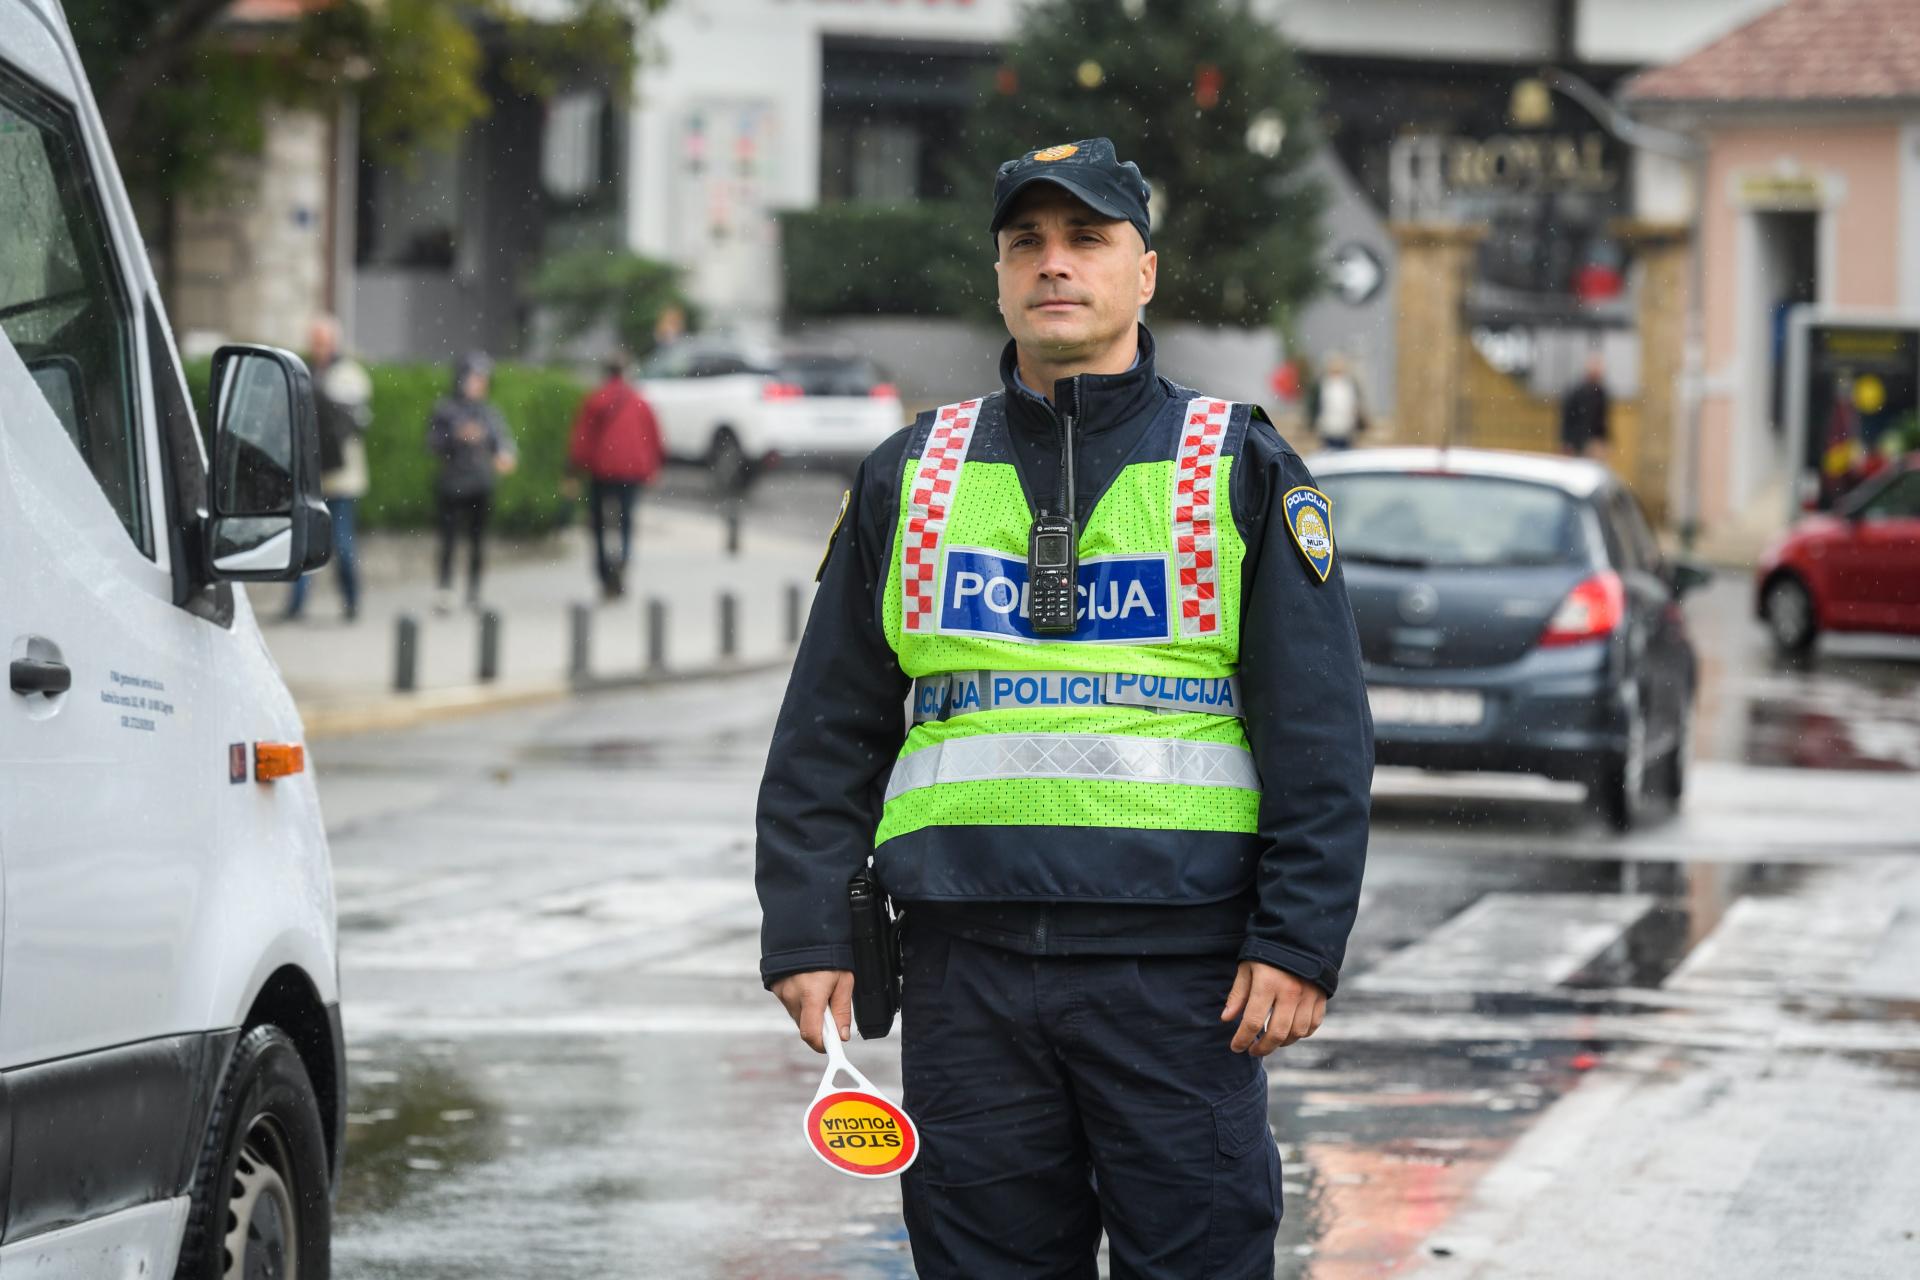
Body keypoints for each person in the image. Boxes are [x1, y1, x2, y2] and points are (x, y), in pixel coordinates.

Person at [754, 138, 1372, 1279]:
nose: (1054, 264)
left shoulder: (1237, 466)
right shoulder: (910, 473)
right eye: (1026, 243)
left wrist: (1299, 939)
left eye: (1087, 239)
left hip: (1185, 979)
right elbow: (828, 731)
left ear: (1145, 272)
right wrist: (805, 930)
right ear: (998, 275)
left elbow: (1319, 733)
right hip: (963, 971)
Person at [285, 315, 371, 621]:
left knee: (343, 546)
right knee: (303, 544)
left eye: (323, 341)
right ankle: (295, 606)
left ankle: (351, 602)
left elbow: (351, 421)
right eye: (315, 341)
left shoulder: (349, 375)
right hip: (311, 478)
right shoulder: (303, 370)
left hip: (341, 479)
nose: (318, 347)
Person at [566, 354, 664, 600]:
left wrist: (574, 469)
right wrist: (652, 469)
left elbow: (582, 437)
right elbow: (653, 437)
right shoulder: (640, 401)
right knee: (626, 521)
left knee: (598, 523)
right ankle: (623, 561)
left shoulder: (596, 399)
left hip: (602, 469)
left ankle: (603, 570)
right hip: (631, 470)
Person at [426, 352, 516, 613]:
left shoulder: (488, 412)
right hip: (452, 484)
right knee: (448, 540)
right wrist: (457, 436)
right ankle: (445, 588)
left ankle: (474, 591)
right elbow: (432, 443)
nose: (479, 384)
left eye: (483, 379)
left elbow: (502, 442)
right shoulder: (446, 409)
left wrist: (504, 455)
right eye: (475, 378)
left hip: (480, 484)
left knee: (478, 540)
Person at [1308, 352, 1366, 451]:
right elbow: (1315, 405)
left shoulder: (1349, 384)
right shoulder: (1323, 384)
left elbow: (1356, 404)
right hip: (1328, 429)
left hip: (1346, 429)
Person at [1560, 351, 1611, 458]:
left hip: (1593, 442)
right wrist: (1567, 442)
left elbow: (1602, 420)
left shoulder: (1601, 393)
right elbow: (1568, 419)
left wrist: (1605, 440)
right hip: (1577, 441)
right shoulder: (1576, 392)